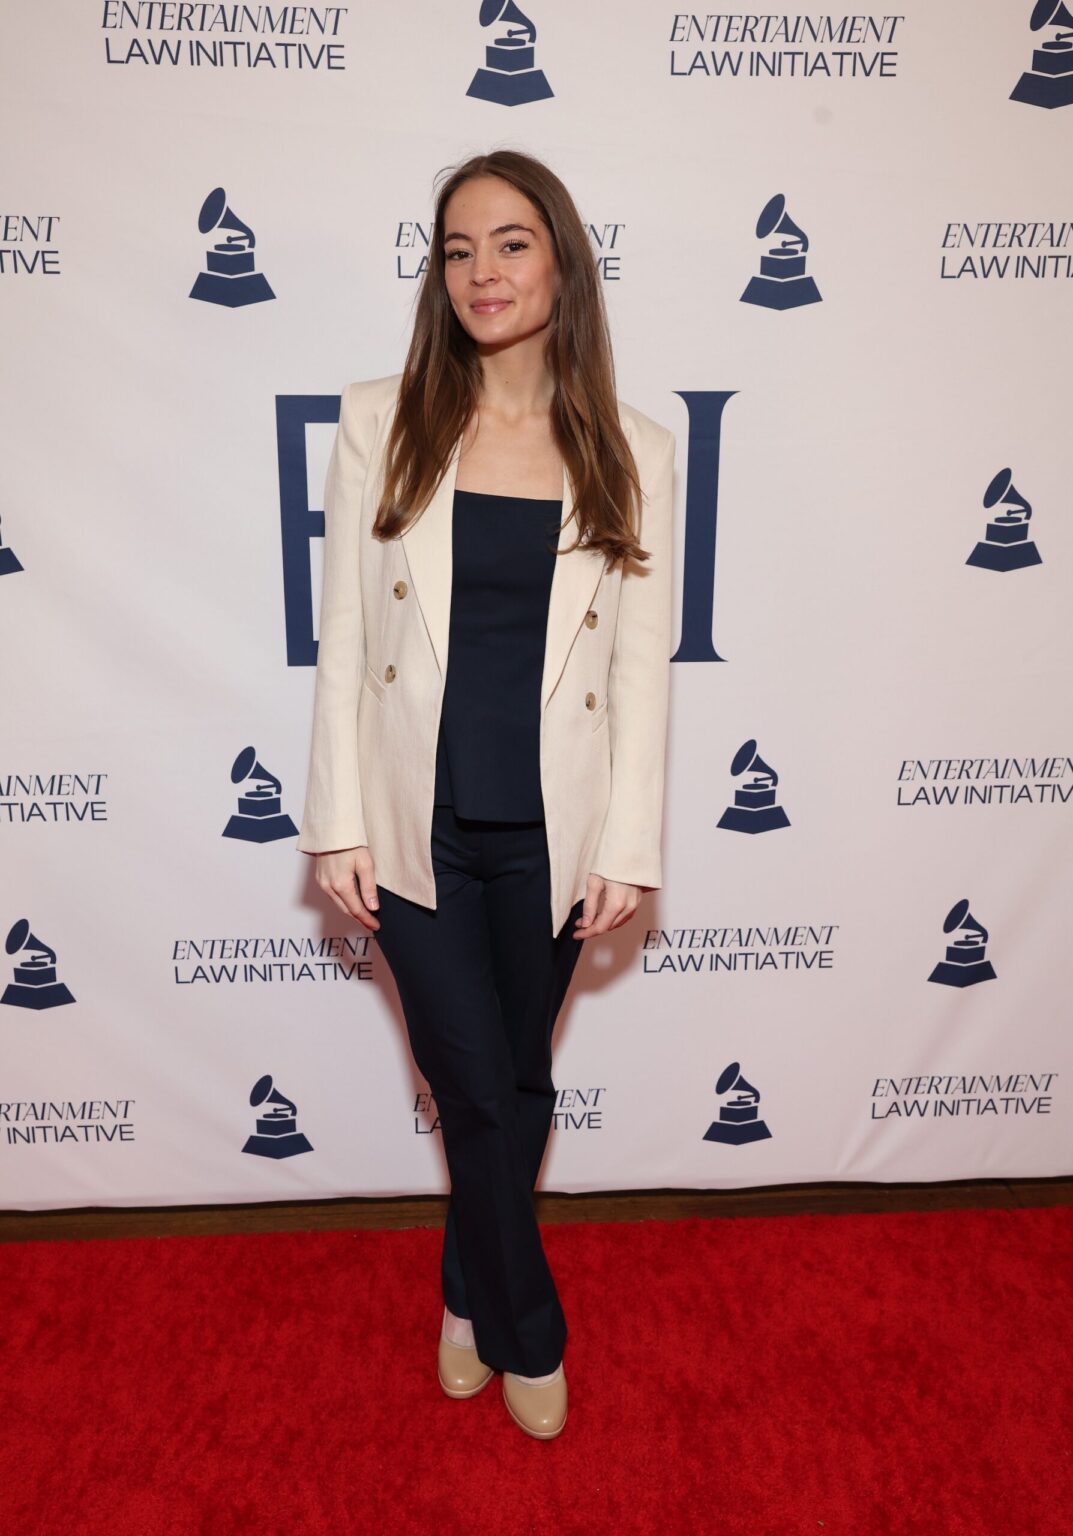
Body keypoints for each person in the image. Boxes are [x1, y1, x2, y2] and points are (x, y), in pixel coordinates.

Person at [296, 148, 676, 1439]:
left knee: (514, 1079)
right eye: (457, 248)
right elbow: (344, 642)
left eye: (510, 243)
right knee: (470, 1085)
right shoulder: (377, 420)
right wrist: (336, 819)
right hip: (417, 835)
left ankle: (465, 1289)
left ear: (562, 260)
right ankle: (532, 1325)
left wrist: (631, 843)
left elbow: (638, 676)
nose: (481, 272)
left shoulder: (634, 446)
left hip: (555, 841)